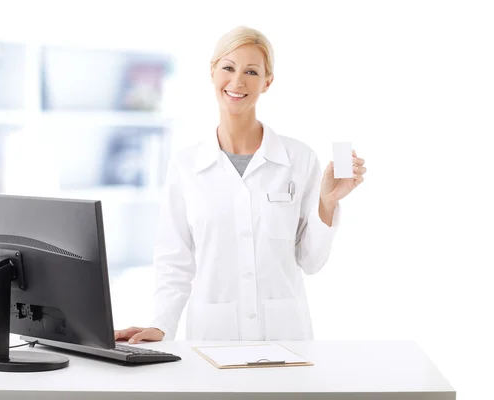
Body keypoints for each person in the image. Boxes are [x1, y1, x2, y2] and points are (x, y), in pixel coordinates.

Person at [115, 26, 367, 344]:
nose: (237, 81)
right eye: (228, 68)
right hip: (212, 337)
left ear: (267, 82)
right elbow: (174, 262)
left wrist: (327, 203)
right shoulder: (186, 165)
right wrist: (161, 325)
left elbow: (311, 261)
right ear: (212, 72)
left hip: (286, 337)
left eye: (251, 71)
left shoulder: (300, 159)